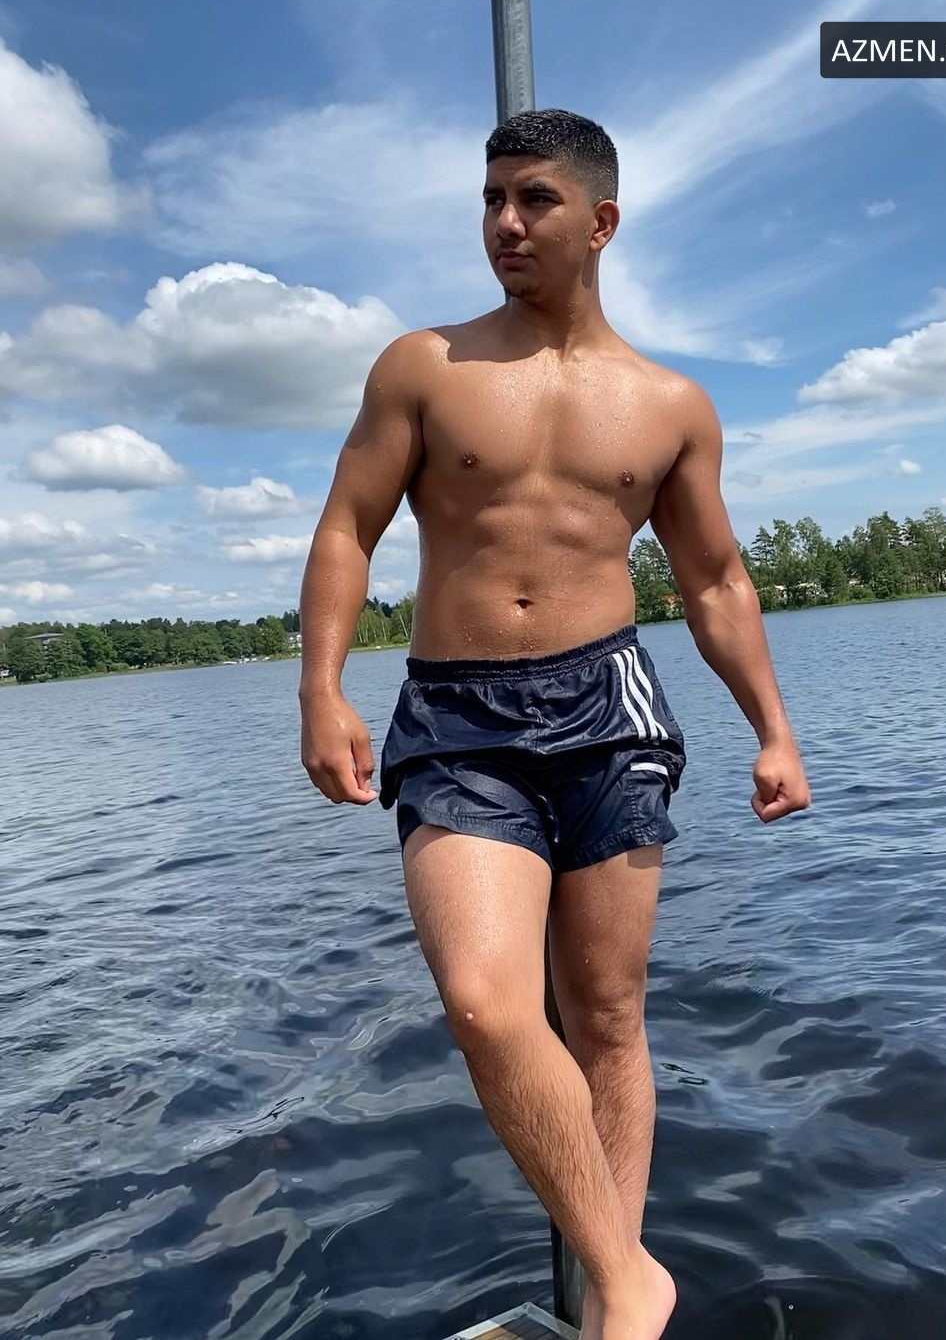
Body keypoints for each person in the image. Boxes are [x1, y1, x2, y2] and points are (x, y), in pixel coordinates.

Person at [298, 108, 811, 1340]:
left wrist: (774, 728)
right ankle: (631, 1276)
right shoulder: (424, 367)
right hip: (457, 714)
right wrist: (321, 686)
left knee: (608, 1017)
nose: (505, 223)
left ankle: (610, 1301)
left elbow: (715, 581)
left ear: (601, 221)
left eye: (533, 199)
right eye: (491, 200)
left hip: (609, 706)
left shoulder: (670, 403)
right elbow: (347, 527)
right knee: (487, 1003)